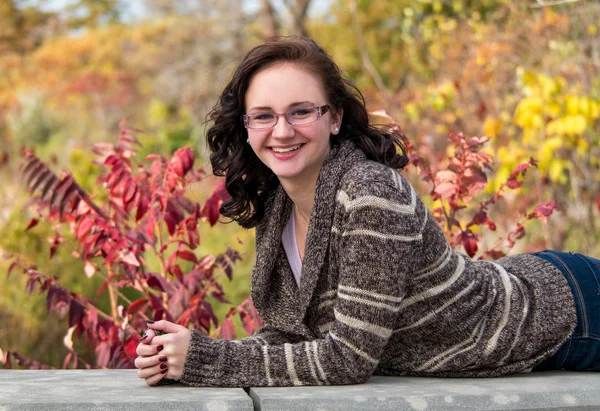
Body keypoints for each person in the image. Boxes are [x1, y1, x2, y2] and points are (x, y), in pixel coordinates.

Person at [134, 36, 600, 387]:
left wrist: (206, 360)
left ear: (334, 117)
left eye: (301, 111)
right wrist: (179, 354)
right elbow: (290, 340)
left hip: (566, 316)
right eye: (263, 115)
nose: (281, 130)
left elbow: (347, 358)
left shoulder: (369, 193)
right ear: (247, 126)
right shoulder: (279, 202)